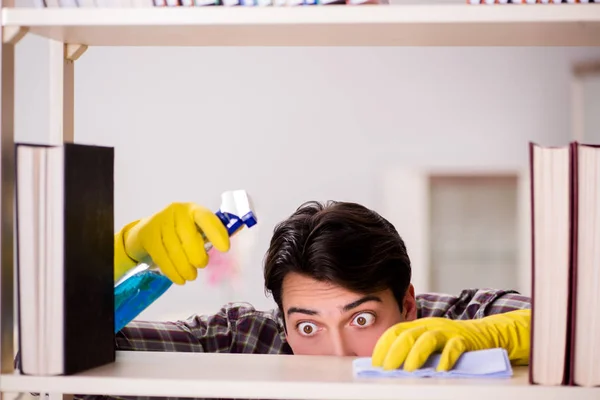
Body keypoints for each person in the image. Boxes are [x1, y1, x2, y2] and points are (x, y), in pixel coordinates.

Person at [115, 200, 531, 373]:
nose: (338, 355)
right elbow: (70, 347)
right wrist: (125, 252)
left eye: (362, 319)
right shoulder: (243, 341)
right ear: (283, 319)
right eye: (308, 327)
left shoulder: (459, 321)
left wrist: (497, 335)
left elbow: (582, 322)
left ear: (407, 305)